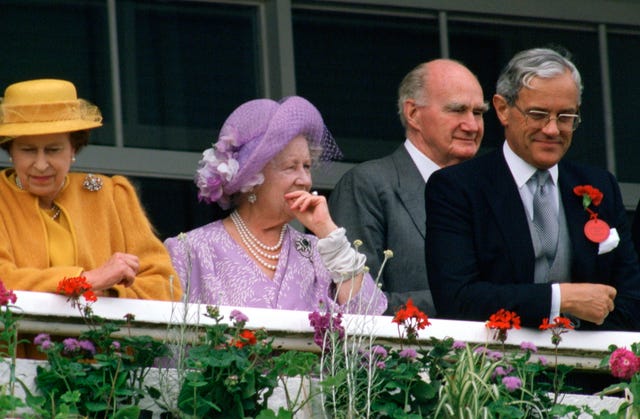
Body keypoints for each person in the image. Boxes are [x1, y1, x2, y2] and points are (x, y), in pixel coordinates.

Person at [425, 48, 640, 330]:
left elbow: (632, 299)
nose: (552, 130)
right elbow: (457, 299)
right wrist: (559, 299)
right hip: (494, 368)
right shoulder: (458, 187)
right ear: (502, 109)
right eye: (538, 114)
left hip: (588, 369)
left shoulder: (600, 186)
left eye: (565, 117)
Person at [164, 96, 387, 314]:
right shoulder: (192, 251)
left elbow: (367, 321)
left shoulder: (319, 253)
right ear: (252, 179)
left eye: (307, 166)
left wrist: (328, 232)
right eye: (291, 167)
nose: (305, 180)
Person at [328, 59, 488, 315]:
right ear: (413, 114)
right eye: (457, 110)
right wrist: (470, 301)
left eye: (478, 113)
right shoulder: (368, 184)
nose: (472, 125)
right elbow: (360, 304)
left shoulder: (490, 191)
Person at [0, 78, 181, 301]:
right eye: (28, 150)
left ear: (73, 148)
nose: (40, 164)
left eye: (53, 150)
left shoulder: (111, 196)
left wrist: (109, 293)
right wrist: (88, 280)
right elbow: (4, 279)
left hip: (104, 336)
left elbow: (165, 286)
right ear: (10, 151)